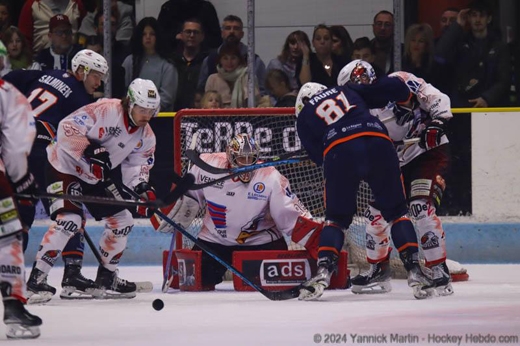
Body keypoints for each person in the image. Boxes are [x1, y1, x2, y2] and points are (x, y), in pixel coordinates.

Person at [295, 74, 432, 301]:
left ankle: (322, 273)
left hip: (340, 150)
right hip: (378, 140)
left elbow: (319, 158)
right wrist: (406, 95)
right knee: (397, 214)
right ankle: (416, 271)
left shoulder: (304, 117)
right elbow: (393, 87)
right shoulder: (346, 90)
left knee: (336, 221)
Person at [26, 77, 159, 301]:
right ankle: (36, 281)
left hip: (95, 177)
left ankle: (106, 277)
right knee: (70, 219)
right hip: (64, 164)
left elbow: (136, 166)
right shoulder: (106, 109)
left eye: (151, 111)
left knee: (123, 220)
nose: (146, 116)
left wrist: (142, 189)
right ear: (130, 103)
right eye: (142, 109)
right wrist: (91, 150)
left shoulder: (146, 136)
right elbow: (67, 127)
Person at [337, 61, 454, 296]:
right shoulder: (357, 111)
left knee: (420, 208)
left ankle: (438, 269)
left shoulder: (399, 80)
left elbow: (437, 97)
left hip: (427, 154)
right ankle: (378, 270)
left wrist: (437, 123)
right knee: (375, 216)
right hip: (394, 164)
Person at [3, 49, 109, 302]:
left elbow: (12, 79)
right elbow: (83, 138)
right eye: (95, 75)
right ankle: (63, 276)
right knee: (69, 208)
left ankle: (15, 278)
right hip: (39, 150)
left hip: (10, 144)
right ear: (81, 71)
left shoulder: (46, 74)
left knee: (19, 214)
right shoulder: (81, 97)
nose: (99, 82)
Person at [156, 133, 314, 288]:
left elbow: (289, 215)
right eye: (241, 158)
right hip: (214, 241)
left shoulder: (269, 176)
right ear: (231, 157)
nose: (246, 163)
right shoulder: (207, 165)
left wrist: (316, 238)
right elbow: (191, 194)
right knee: (197, 282)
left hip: (260, 242)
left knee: (275, 284)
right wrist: (184, 210)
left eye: (250, 158)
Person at [0, 78, 42, 339]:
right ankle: (13, 305)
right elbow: (15, 149)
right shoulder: (6, 93)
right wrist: (22, 180)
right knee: (8, 236)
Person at [197, 15, 267, 96]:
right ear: (222, 33)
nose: (232, 32)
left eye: (236, 28)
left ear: (242, 34)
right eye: (227, 28)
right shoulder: (210, 60)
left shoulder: (253, 60)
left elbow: (262, 91)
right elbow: (201, 92)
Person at [122, 17, 178, 112]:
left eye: (152, 34)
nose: (148, 37)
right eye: (144, 34)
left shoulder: (167, 65)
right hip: (131, 115)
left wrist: (145, 110)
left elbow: (167, 98)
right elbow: (123, 90)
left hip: (159, 117)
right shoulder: (129, 61)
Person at [205, 42, 268, 108]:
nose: (229, 62)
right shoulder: (212, 79)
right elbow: (206, 104)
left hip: (244, 116)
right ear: (220, 60)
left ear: (239, 60)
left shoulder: (248, 77)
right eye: (225, 58)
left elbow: (256, 102)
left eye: (233, 58)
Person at [18, 0, 85, 58]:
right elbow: (24, 38)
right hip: (41, 60)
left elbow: (83, 29)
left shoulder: (76, 3)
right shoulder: (32, 5)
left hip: (73, 57)